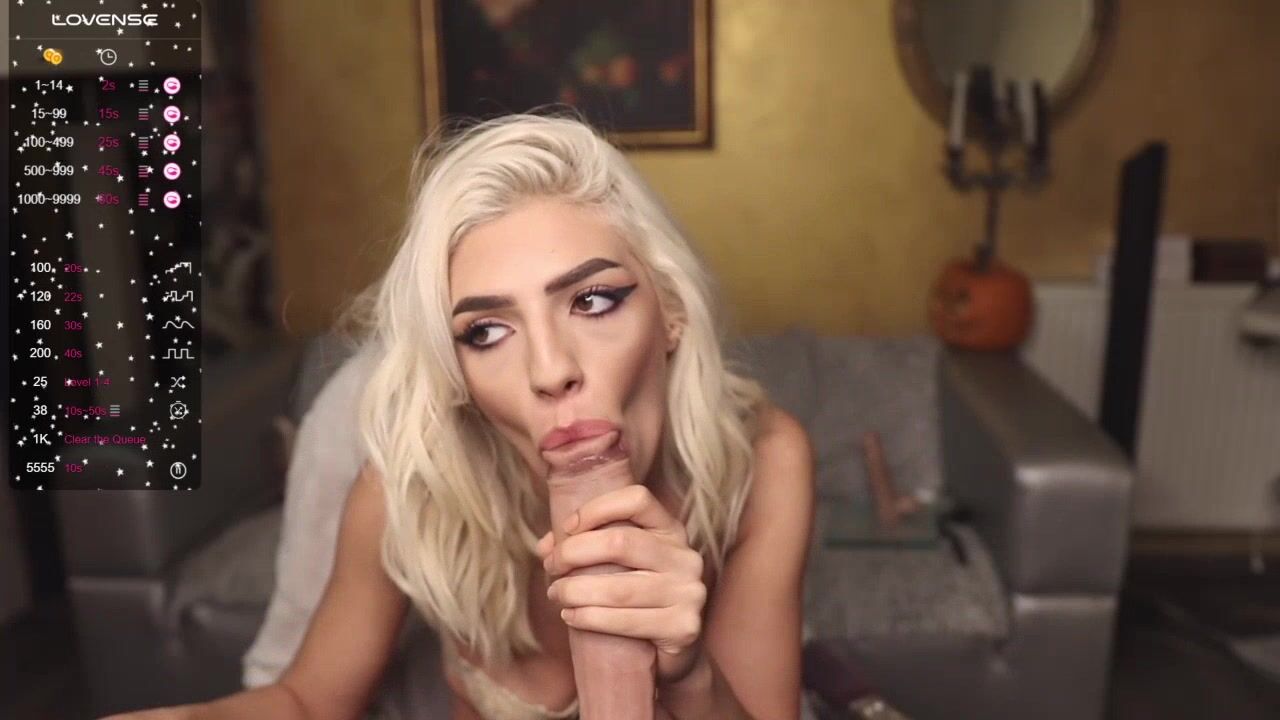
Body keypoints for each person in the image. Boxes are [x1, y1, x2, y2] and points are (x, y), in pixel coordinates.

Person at [105, 112, 815, 720]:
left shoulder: (763, 462)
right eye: (487, 332)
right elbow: (307, 701)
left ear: (672, 311)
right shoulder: (410, 486)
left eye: (593, 300)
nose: (551, 370)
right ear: (458, 375)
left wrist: (689, 678)